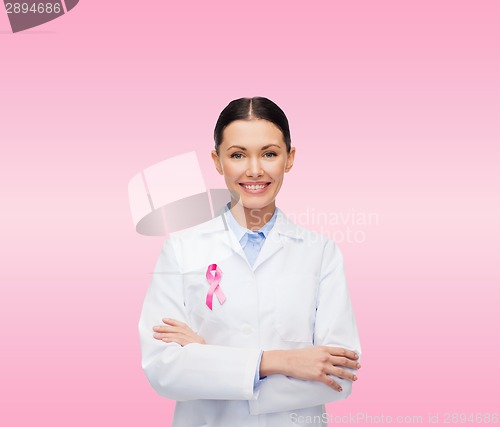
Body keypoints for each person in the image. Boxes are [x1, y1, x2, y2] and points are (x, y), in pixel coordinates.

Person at [138, 96, 362, 427]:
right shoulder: (182, 250)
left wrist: (206, 361)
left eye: (269, 154)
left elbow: (339, 376)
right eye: (238, 155)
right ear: (217, 161)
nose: (254, 170)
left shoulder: (320, 253)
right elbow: (163, 370)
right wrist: (280, 361)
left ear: (290, 158)